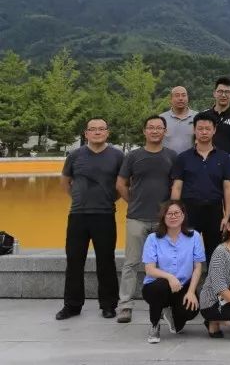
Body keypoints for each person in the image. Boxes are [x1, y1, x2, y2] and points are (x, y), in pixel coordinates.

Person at [56, 118, 124, 321]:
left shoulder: (117, 156)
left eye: (101, 129)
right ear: (86, 133)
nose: (97, 132)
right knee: (74, 261)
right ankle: (72, 305)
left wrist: (109, 199)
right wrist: (79, 198)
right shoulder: (75, 155)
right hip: (78, 215)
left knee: (106, 261)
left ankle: (109, 305)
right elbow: (65, 182)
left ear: (107, 132)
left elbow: (122, 185)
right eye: (93, 129)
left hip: (104, 215)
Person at [116, 115, 178, 324]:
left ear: (165, 131)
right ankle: (125, 305)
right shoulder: (133, 156)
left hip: (163, 221)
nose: (155, 131)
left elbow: (176, 186)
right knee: (131, 263)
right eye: (151, 127)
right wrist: (133, 202)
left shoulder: (171, 156)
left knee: (164, 264)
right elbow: (121, 184)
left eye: (159, 128)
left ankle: (163, 304)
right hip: (137, 218)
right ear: (144, 131)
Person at [171, 113, 230, 264]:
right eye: (200, 129)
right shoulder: (183, 158)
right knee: (185, 252)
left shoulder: (224, 157)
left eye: (208, 128)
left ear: (214, 130)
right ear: (194, 130)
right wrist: (175, 212)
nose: (204, 132)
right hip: (189, 210)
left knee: (215, 254)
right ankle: (186, 280)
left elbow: (228, 187)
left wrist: (227, 216)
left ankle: (214, 280)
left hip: (214, 210)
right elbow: (177, 187)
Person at [140, 200, 205, 343]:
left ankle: (171, 314)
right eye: (169, 213)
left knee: (191, 309)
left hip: (182, 286)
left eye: (177, 213)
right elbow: (149, 269)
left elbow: (198, 267)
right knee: (160, 286)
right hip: (157, 287)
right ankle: (155, 324)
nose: (173, 216)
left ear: (183, 215)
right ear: (163, 217)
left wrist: (191, 292)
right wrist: (170, 277)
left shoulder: (194, 236)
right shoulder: (153, 238)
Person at [201, 76, 230, 154]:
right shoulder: (204, 116)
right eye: (220, 91)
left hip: (228, 160)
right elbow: (198, 139)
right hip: (206, 159)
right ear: (214, 93)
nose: (223, 95)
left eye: (227, 92)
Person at [160, 86, 197, 154]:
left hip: (191, 159)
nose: (180, 98)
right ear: (171, 99)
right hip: (167, 159)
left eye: (183, 95)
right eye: (177, 95)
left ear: (187, 98)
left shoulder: (197, 117)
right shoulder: (161, 119)